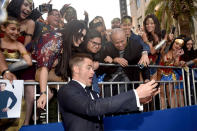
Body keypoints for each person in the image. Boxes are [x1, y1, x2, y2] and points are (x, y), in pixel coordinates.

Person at [58, 53, 159, 131]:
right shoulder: (66, 90)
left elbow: (110, 107)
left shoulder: (93, 93)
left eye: (93, 68)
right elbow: (92, 108)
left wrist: (138, 99)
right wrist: (135, 94)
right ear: (76, 69)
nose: (93, 72)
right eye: (89, 68)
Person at [36, 20, 87, 109]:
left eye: (84, 37)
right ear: (74, 32)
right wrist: (43, 93)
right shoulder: (56, 39)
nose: (83, 39)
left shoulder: (66, 41)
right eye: (81, 35)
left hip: (49, 71)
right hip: (38, 70)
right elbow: (44, 67)